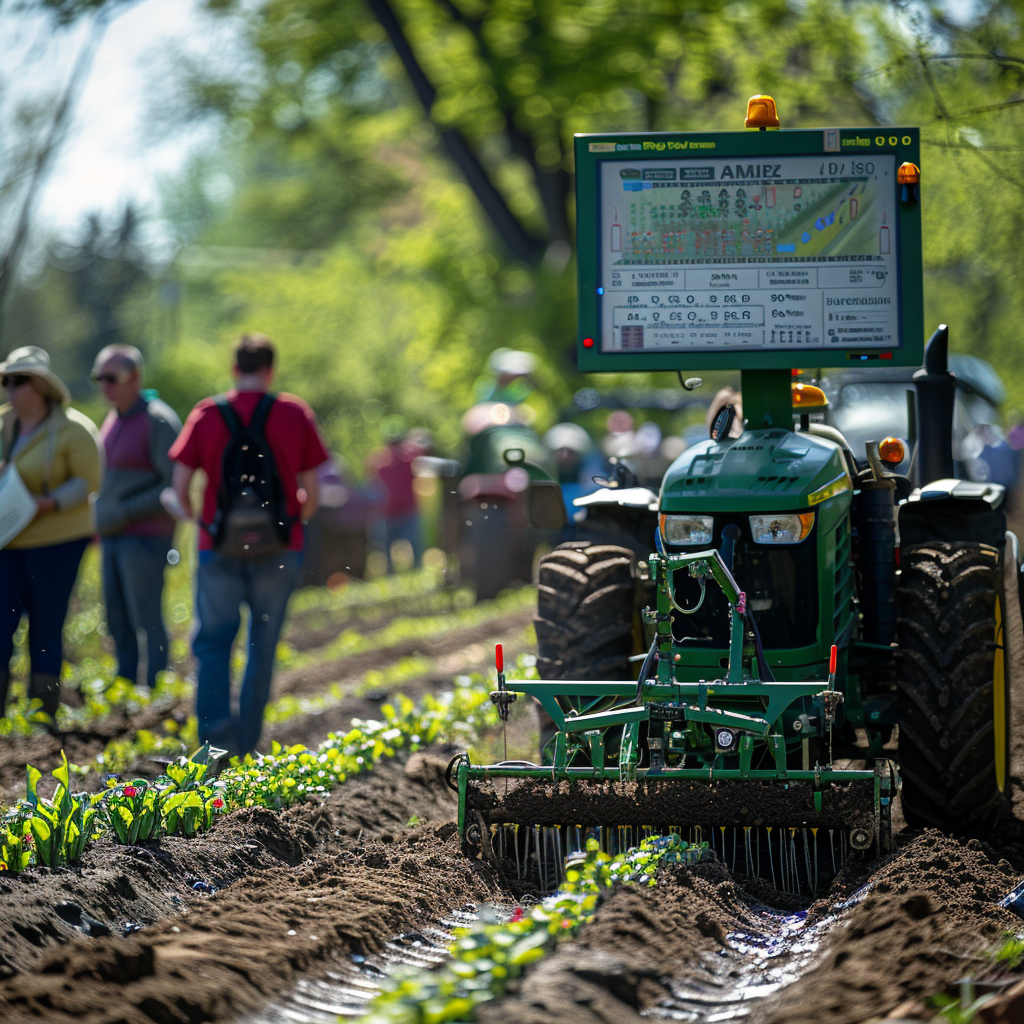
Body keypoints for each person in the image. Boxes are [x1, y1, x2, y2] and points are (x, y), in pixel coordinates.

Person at [168, 334, 329, 756]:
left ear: (234, 368)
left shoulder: (205, 414)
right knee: (263, 643)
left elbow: (179, 489)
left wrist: (204, 523)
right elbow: (313, 494)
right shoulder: (294, 413)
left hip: (216, 547)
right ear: (271, 369)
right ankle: (247, 742)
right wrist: (288, 524)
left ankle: (214, 743)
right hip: (280, 548)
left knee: (213, 643)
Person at [0, 346, 102, 720]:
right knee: (1, 623)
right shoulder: (4, 425)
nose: (10, 389)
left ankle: (43, 711)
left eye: (19, 381)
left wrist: (47, 503)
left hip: (58, 541)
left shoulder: (74, 429)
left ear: (41, 387)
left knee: (46, 622)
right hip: (8, 540)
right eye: (7, 381)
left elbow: (88, 481)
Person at [92, 344, 181, 689]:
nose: (104, 385)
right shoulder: (113, 417)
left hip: (145, 537)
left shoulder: (158, 419)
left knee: (146, 615)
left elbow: (171, 485)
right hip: (113, 535)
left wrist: (123, 511)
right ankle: (125, 685)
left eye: (111, 378)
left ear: (136, 377)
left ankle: (156, 687)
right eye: (99, 378)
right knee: (117, 617)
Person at [365, 419, 429, 572]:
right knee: (384, 549)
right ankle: (389, 576)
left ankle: (417, 573)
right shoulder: (379, 461)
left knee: (415, 546)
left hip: (408, 512)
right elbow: (370, 479)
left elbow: (422, 451)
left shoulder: (409, 460)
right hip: (386, 514)